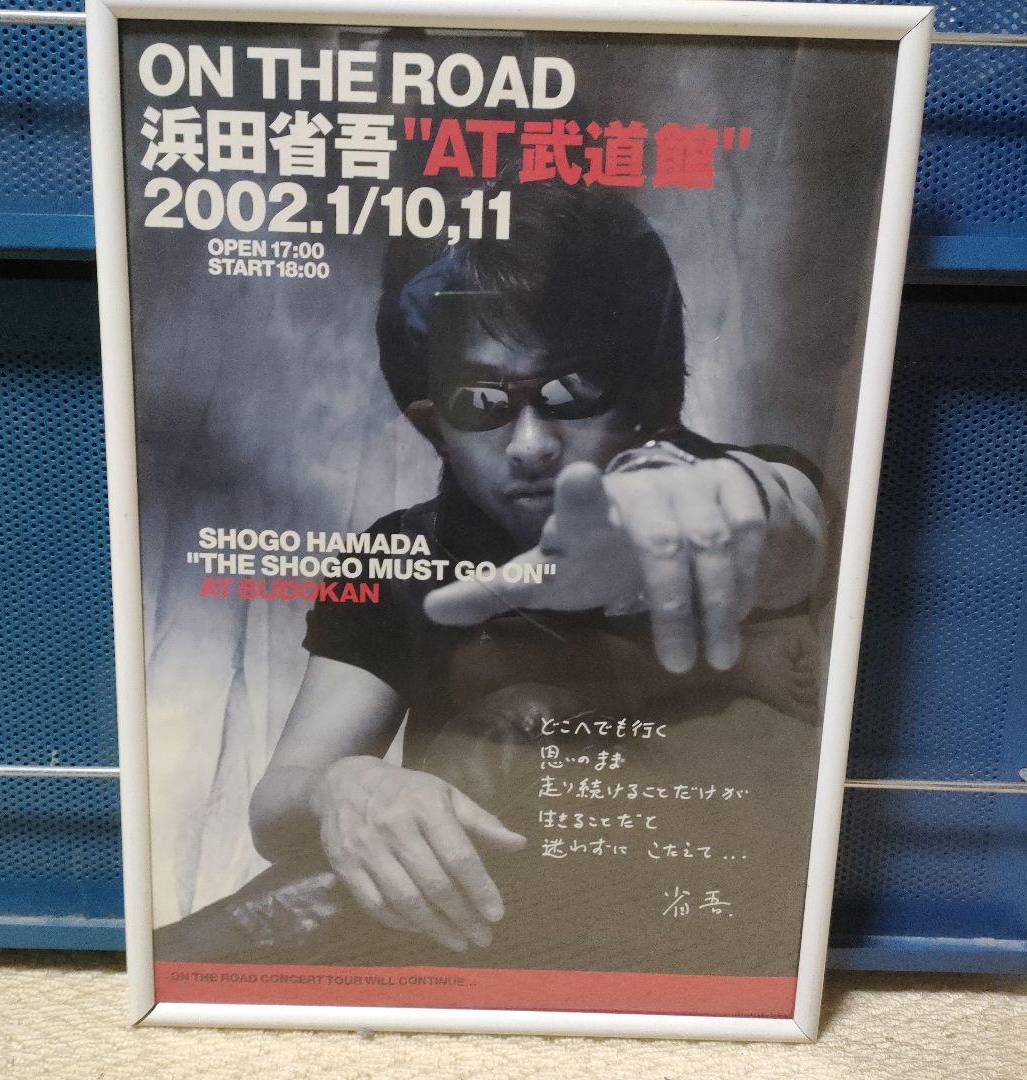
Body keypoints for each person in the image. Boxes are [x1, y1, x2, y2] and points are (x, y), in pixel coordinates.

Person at [239, 180, 828, 964]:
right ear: (431, 420)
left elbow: (788, 528)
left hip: (704, 934)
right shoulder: (403, 551)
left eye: (570, 389)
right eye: (480, 398)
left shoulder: (719, 494)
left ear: (646, 391)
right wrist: (340, 788)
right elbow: (279, 801)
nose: (529, 445)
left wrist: (739, 502)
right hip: (474, 942)